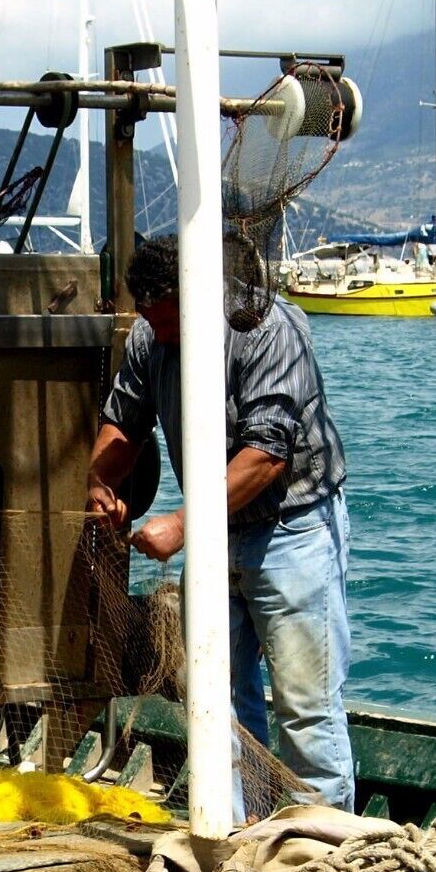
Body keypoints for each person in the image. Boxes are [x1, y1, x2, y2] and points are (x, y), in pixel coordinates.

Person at [87, 235, 355, 809]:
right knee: (217, 700)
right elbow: (122, 423)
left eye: (168, 321)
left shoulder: (267, 328)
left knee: (306, 709)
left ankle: (330, 852)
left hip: (292, 529)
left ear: (199, 296)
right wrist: (98, 481)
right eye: (149, 321)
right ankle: (242, 835)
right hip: (216, 534)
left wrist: (181, 526)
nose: (158, 334)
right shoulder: (148, 335)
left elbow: (266, 455)